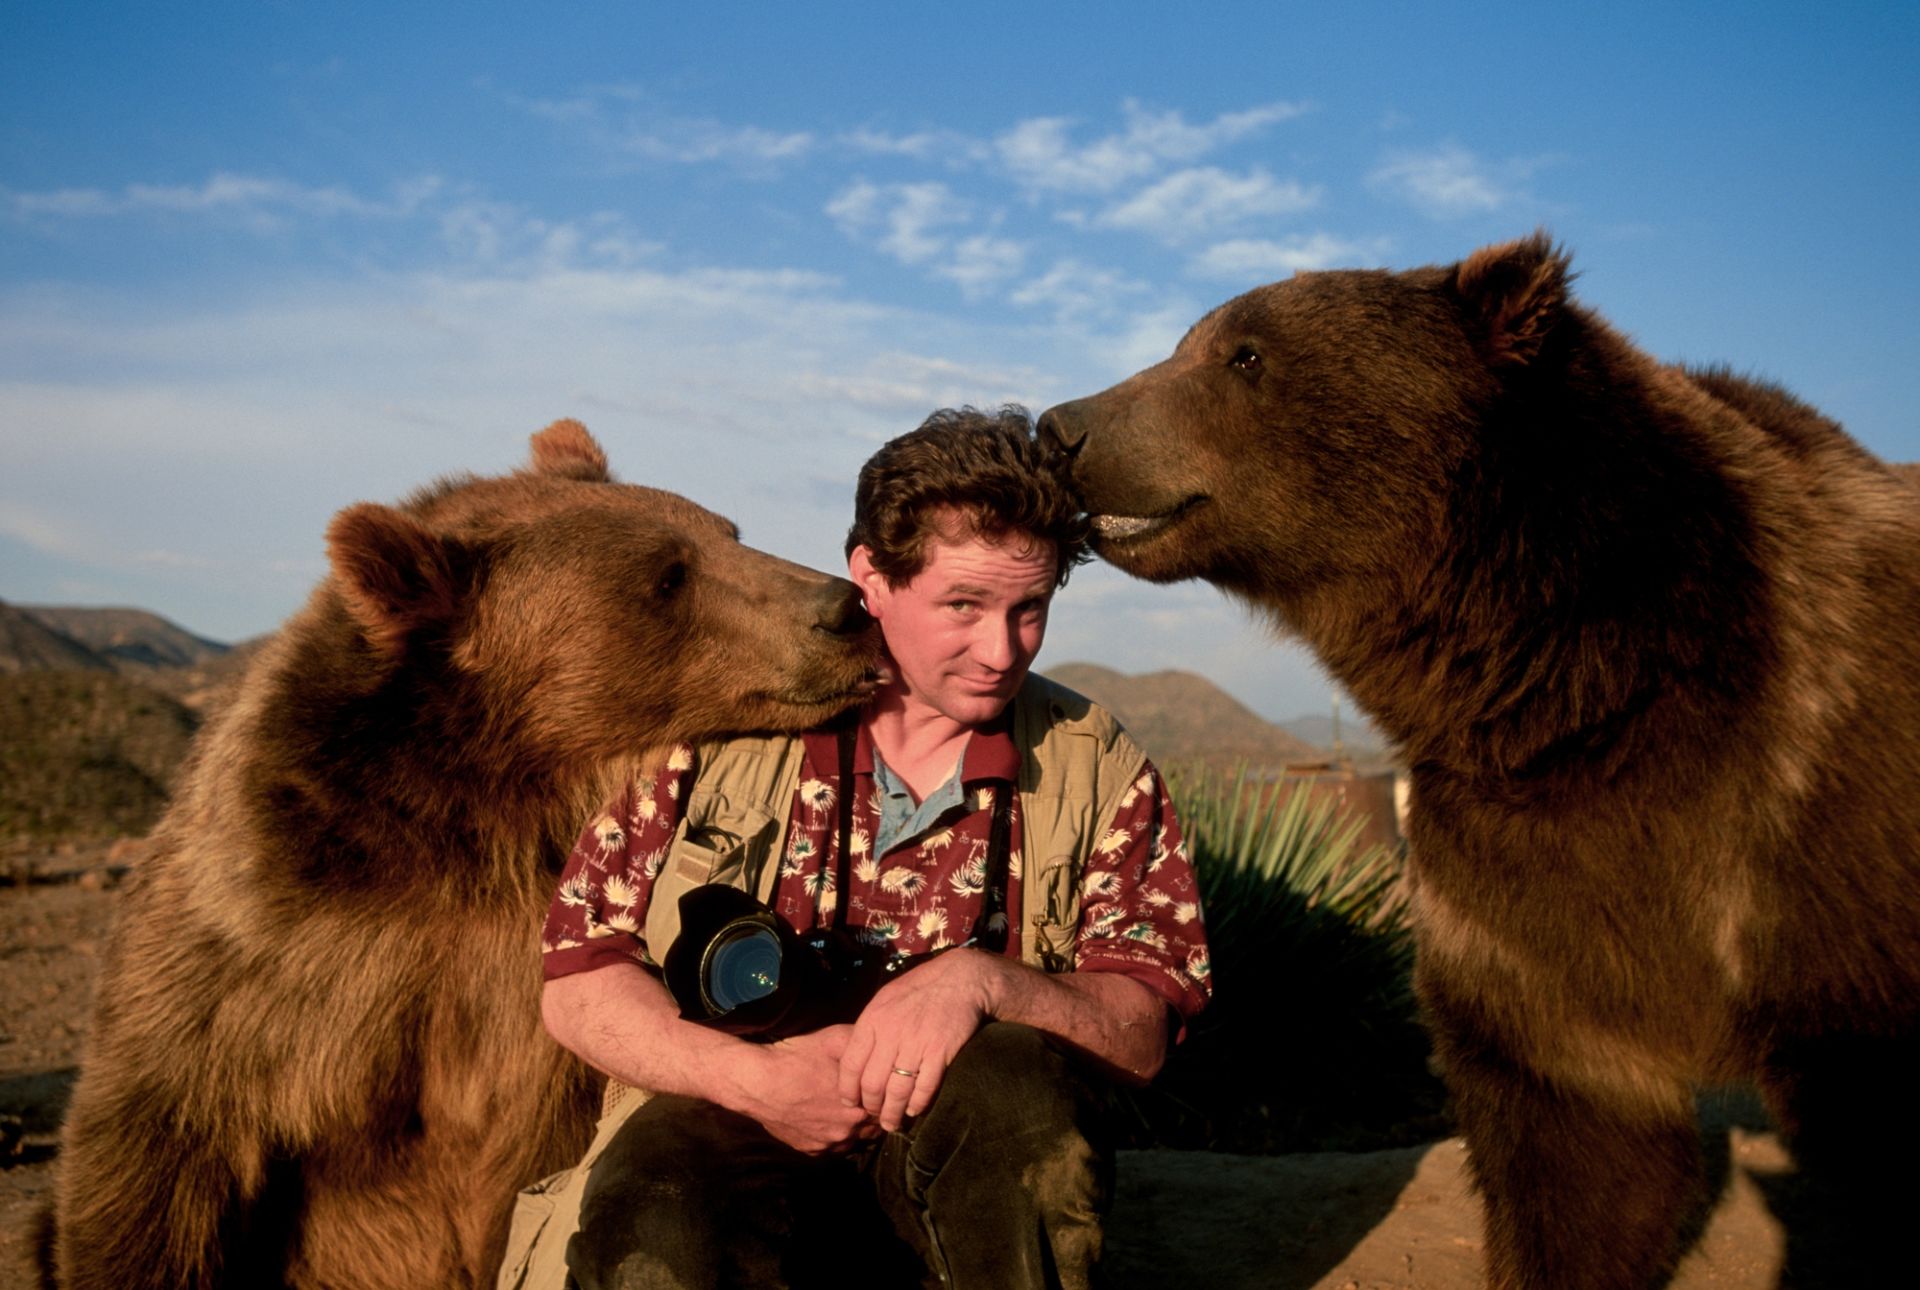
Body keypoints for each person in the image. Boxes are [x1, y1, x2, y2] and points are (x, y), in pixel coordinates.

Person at [529, 407, 1211, 1290]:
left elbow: (1140, 1028)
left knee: (1016, 1103)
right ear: (872, 577)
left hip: (957, 1172)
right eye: (963, 605)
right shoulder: (727, 729)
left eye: (1030, 608)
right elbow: (581, 976)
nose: (1001, 650)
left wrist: (983, 983)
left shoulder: (1093, 760)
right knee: (660, 1219)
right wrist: (751, 1079)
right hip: (734, 1120)